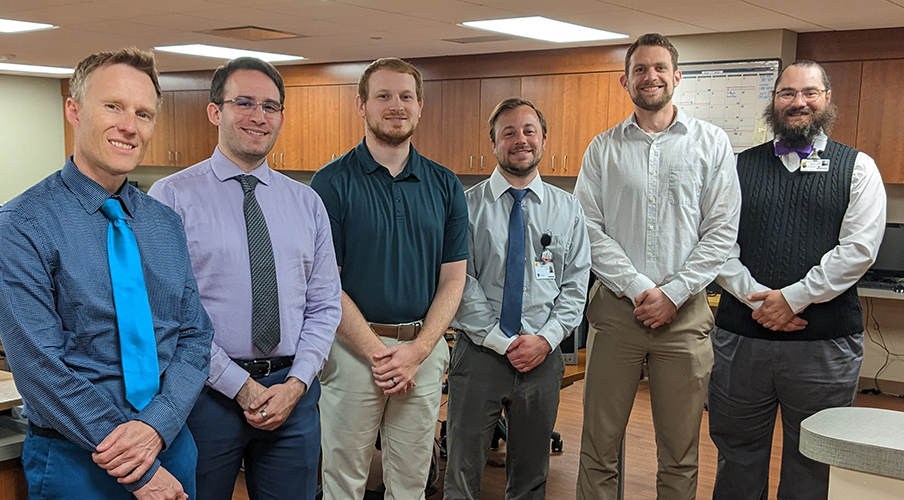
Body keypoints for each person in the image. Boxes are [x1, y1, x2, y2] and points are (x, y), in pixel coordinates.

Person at [0, 48, 213, 500]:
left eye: (143, 113)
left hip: (171, 445)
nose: (130, 125)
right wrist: (140, 467)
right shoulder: (21, 226)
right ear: (73, 109)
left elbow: (195, 337)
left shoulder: (164, 224)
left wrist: (157, 428)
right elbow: (40, 370)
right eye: (114, 106)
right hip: (76, 458)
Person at [148, 57, 341, 499]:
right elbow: (169, 313)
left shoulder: (307, 202)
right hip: (204, 394)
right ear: (216, 111)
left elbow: (325, 303)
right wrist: (241, 387)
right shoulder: (172, 197)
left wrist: (297, 384)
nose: (259, 117)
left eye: (270, 107)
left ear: (281, 118)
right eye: (245, 103)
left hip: (292, 394)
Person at [573, 33, 741, 500]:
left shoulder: (711, 144)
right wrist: (639, 287)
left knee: (681, 449)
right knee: (598, 444)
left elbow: (721, 232)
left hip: (684, 318)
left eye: (660, 68)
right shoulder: (602, 149)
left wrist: (672, 293)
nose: (650, 77)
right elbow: (587, 229)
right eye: (641, 69)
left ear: (677, 76)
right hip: (615, 315)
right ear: (625, 80)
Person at [710, 60, 886, 500]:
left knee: (815, 462)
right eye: (787, 93)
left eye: (809, 92)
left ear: (827, 98)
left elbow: (858, 251)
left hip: (823, 347)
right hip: (741, 343)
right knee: (736, 455)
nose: (798, 102)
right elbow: (717, 246)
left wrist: (791, 299)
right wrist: (760, 304)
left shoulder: (858, 168)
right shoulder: (735, 167)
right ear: (774, 101)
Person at [310, 57, 468, 500]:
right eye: (383, 96)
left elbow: (453, 281)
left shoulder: (445, 184)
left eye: (405, 97)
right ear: (361, 104)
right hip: (352, 354)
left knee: (411, 483)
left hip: (423, 353)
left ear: (420, 106)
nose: (395, 106)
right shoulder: (330, 183)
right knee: (343, 482)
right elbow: (326, 285)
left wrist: (416, 352)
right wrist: (382, 356)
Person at [445, 97, 591, 499]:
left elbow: (576, 285)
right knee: (462, 469)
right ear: (493, 143)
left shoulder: (568, 209)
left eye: (529, 131)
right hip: (479, 354)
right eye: (508, 132)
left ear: (544, 140)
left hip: (542, 360)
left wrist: (545, 340)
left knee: (531, 474)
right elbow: (461, 282)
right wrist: (501, 340)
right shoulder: (466, 206)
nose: (520, 140)